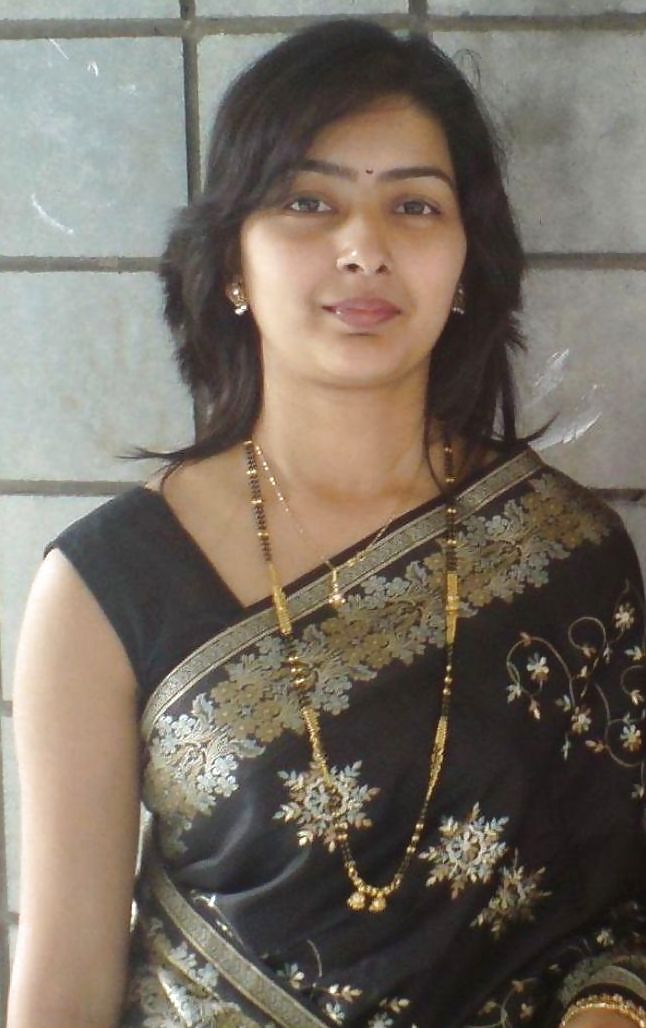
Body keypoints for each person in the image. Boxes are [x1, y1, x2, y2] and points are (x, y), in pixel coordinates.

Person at [7, 18, 645, 1028]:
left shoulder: (564, 554)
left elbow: (619, 905)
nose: (363, 248)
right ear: (232, 260)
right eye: (308, 202)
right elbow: (65, 981)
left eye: (413, 205)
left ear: (466, 261)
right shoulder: (106, 588)